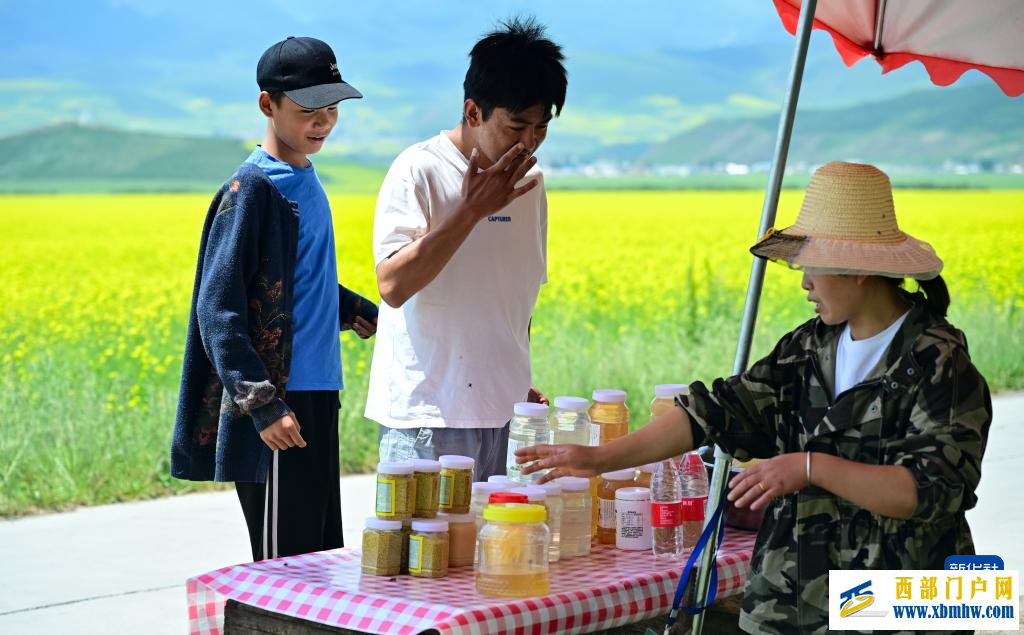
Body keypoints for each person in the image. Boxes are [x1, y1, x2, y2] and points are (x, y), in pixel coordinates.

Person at [516, 161, 992, 634]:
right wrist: (600, 458)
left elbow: (932, 490)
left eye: (812, 265)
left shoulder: (939, 364)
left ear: (858, 270)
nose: (804, 281)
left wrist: (808, 467)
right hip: (793, 603)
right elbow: (715, 412)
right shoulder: (809, 347)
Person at [171, 36, 378, 561]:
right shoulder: (254, 188)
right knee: (284, 567)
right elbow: (218, 309)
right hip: (278, 401)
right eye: (309, 108)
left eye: (332, 109)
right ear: (268, 104)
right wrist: (262, 404)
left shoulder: (305, 178)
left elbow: (294, 284)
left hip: (317, 390)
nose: (324, 121)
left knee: (319, 553)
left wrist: (356, 311)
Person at [365, 17, 568, 480]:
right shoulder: (419, 170)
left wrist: (510, 371)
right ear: (473, 112)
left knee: (502, 550)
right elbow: (392, 285)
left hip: (507, 415)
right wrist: (472, 209)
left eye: (541, 127)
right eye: (516, 125)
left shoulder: (531, 185)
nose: (529, 142)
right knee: (428, 552)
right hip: (429, 419)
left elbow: (519, 294)